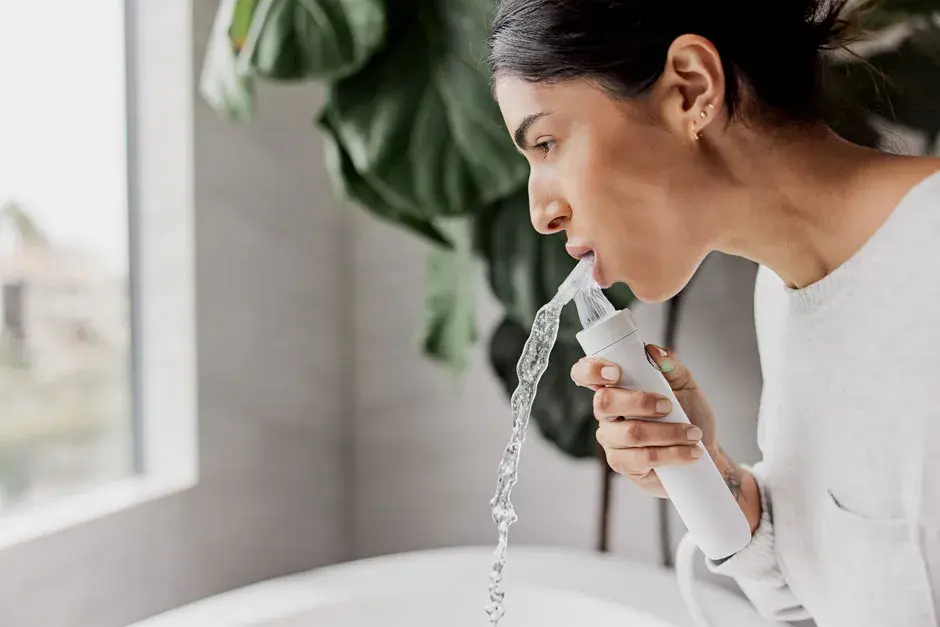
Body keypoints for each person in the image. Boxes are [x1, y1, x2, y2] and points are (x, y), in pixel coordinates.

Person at [489, 1, 940, 625]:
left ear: (690, 88)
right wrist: (705, 475)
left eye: (547, 143)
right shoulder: (785, 299)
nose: (542, 212)